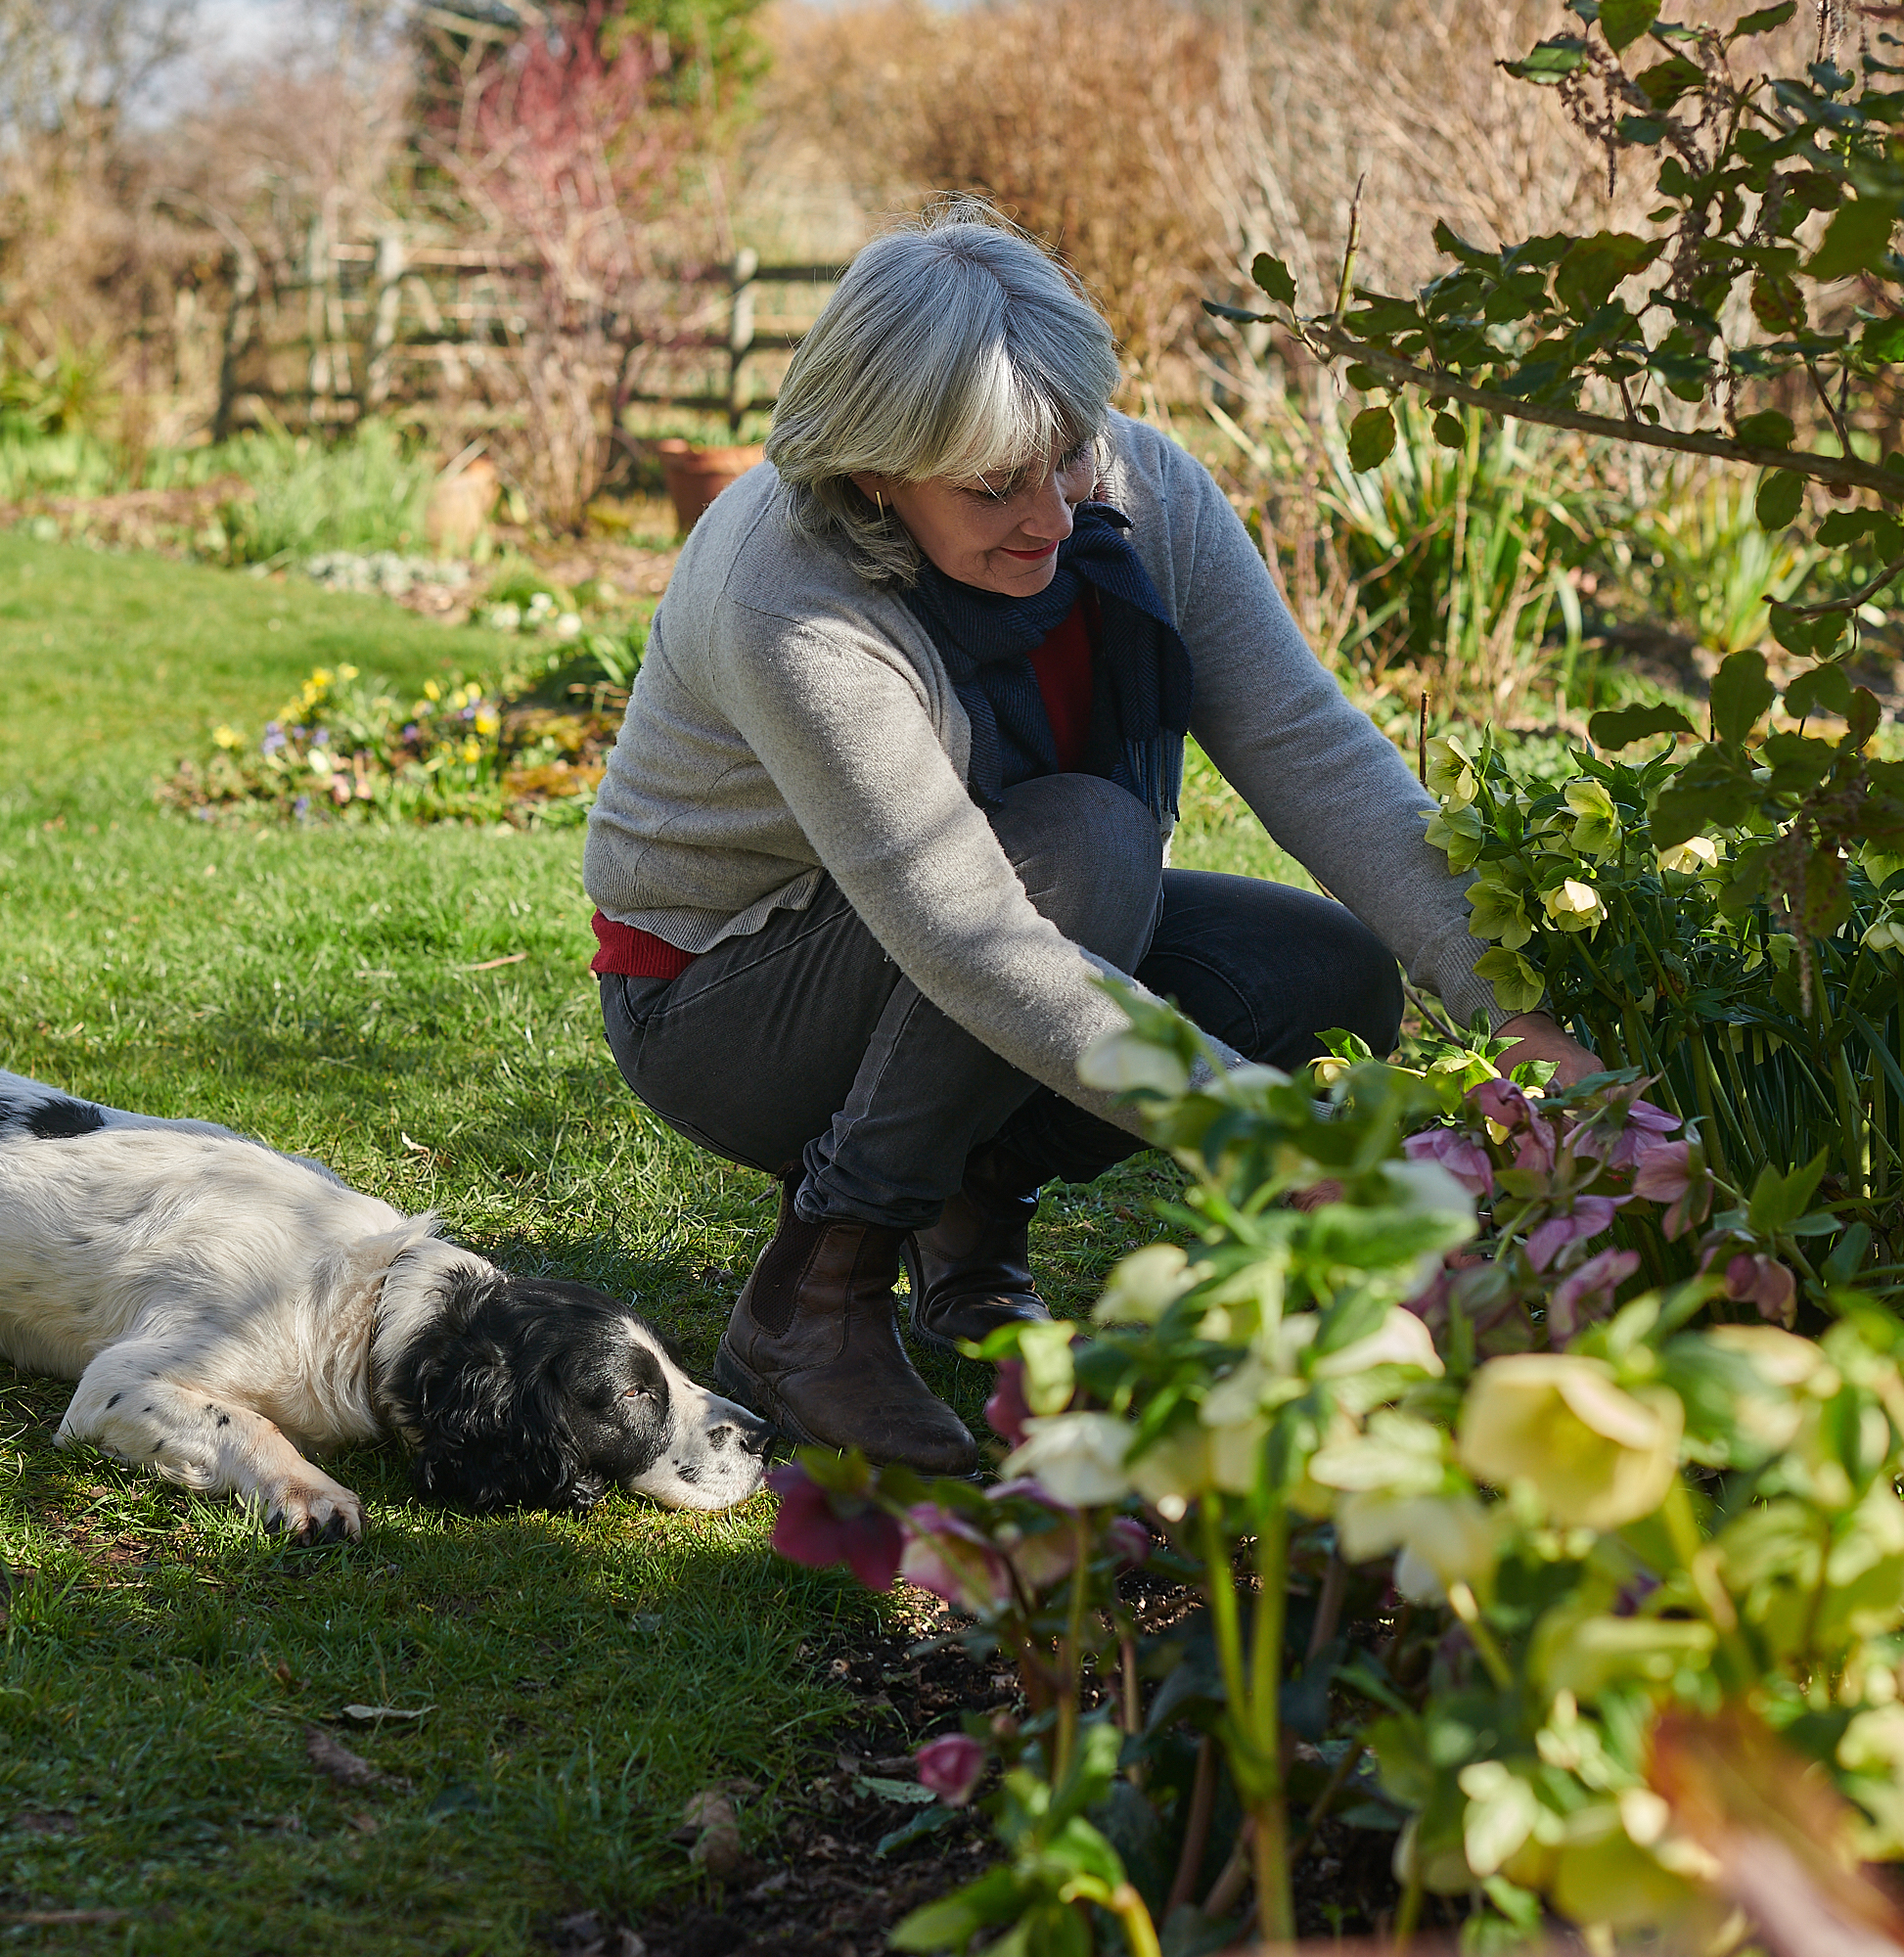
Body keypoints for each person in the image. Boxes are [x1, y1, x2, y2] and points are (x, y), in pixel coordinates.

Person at [584, 205, 1596, 1475]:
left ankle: (972, 1208)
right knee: (1090, 843)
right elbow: (975, 940)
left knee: (1325, 976)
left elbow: (1311, 747)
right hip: (724, 1004)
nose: (1054, 520)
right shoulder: (792, 593)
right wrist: (1271, 1145)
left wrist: (1513, 1011)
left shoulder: (1138, 491)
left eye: (1063, 454)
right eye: (991, 484)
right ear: (872, 473)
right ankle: (817, 1299)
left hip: (981, 926)